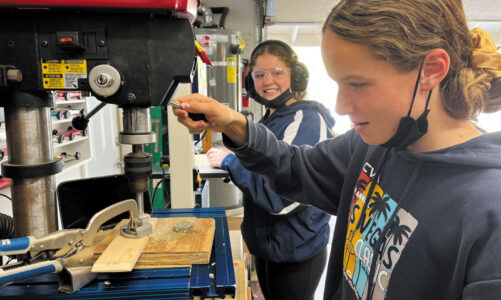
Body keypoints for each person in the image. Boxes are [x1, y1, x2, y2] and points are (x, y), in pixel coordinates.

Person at [173, 0, 501, 299]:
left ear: (431, 70)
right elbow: (293, 166)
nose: (341, 106)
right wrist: (232, 123)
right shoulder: (368, 147)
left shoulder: (488, 211)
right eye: (338, 83)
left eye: (357, 84)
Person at [206, 40, 335, 300]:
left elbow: (282, 199)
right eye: (259, 75)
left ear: (296, 76)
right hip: (267, 246)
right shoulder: (272, 118)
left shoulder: (306, 120)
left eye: (277, 73)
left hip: (296, 251)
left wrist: (231, 163)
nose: (268, 82)